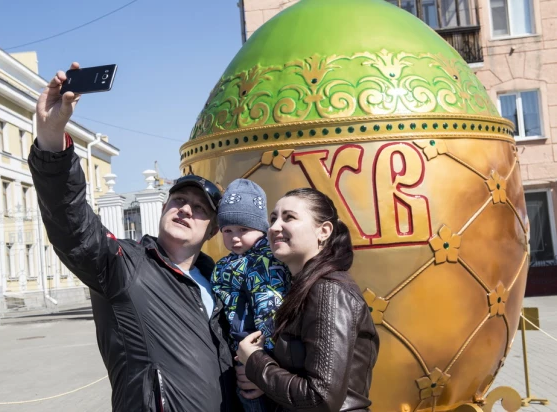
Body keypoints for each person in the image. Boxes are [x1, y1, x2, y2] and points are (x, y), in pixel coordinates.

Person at [28, 62, 239, 411]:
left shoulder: (215, 280)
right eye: (179, 200)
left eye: (200, 209)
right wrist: (51, 139)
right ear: (163, 208)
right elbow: (73, 223)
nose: (186, 210)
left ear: (213, 229)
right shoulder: (125, 266)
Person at [236, 188, 380, 411]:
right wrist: (266, 382)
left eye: (289, 217)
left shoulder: (327, 291)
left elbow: (319, 397)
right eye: (273, 218)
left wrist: (255, 361)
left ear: (323, 231)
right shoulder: (304, 287)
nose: (273, 227)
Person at [211, 179, 290, 411]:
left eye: (243, 229)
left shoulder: (273, 258)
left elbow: (274, 309)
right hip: (239, 350)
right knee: (247, 398)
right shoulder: (222, 266)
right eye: (228, 230)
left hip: (268, 351)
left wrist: (268, 361)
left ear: (261, 228)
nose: (235, 237)